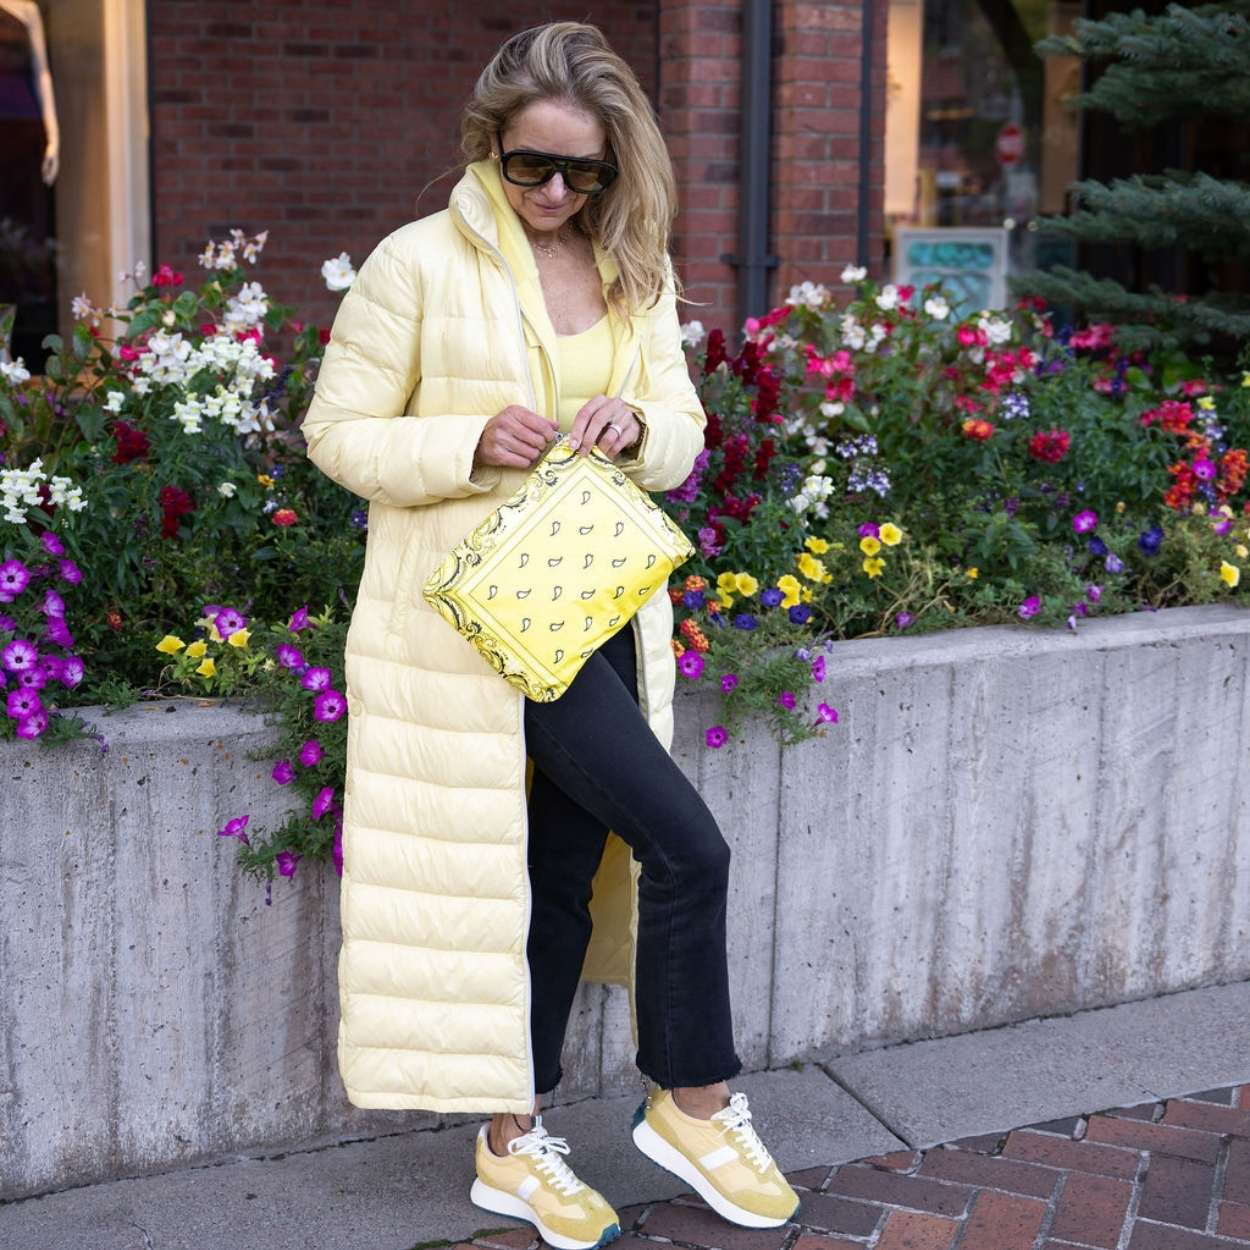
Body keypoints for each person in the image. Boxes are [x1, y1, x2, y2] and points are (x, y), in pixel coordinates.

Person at [301, 21, 799, 1250]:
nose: (558, 193)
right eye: (534, 166)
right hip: (475, 633)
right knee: (689, 847)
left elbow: (683, 434)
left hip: (596, 608)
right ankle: (695, 1100)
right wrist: (464, 442)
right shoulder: (415, 263)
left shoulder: (631, 264)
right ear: (489, 145)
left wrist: (636, 428)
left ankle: (510, 1142)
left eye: (585, 172)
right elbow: (336, 432)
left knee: (560, 883)